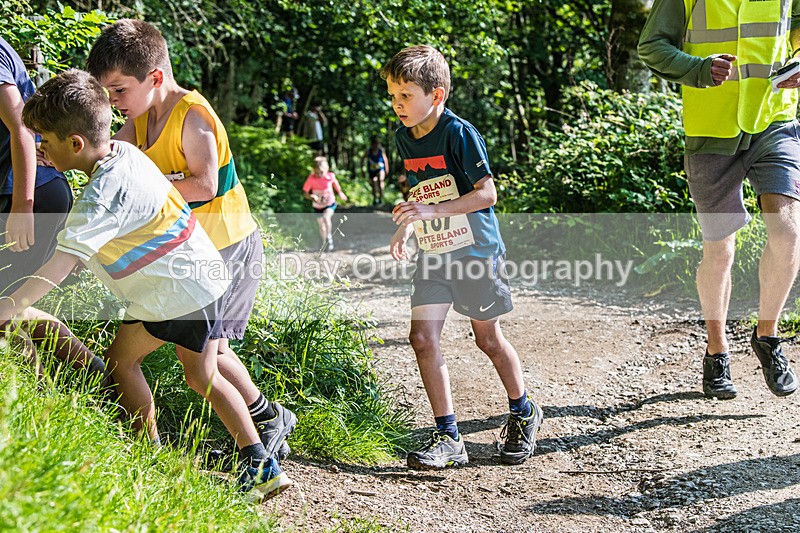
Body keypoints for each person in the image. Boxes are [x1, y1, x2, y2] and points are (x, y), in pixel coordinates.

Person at [4, 69, 290, 498]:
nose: (40, 150)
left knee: (135, 366)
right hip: (199, 278)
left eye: (45, 141)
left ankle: (153, 457)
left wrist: (10, 306)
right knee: (200, 373)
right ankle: (257, 462)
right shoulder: (126, 153)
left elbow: (61, 264)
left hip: (173, 293)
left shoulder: (100, 197)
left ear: (76, 144)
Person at [85, 19, 297, 461]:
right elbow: (107, 157)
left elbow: (203, 184)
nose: (114, 102)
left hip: (229, 246)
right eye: (108, 95)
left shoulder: (193, 115)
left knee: (201, 359)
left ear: (156, 77)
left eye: (119, 91)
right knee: (207, 356)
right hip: (194, 249)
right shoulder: (140, 116)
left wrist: (143, 190)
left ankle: (257, 441)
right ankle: (265, 421)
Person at [380, 45, 543, 469]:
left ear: (436, 95)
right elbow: (423, 191)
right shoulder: (403, 136)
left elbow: (487, 193)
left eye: (405, 95)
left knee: (487, 338)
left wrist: (431, 212)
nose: (397, 105)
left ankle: (524, 412)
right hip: (434, 252)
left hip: (475, 251)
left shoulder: (459, 133)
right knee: (422, 338)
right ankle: (448, 437)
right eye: (393, 96)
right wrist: (408, 224)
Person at [639, 0, 799, 399]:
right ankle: (717, 350)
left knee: (788, 230)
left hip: (775, 121)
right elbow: (653, 45)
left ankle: (767, 336)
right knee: (720, 251)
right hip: (711, 131)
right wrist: (696, 68)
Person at [0, 36, 105, 380]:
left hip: (32, 198)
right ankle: (95, 373)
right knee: (11, 303)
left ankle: (41, 400)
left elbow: (21, 128)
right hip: (17, 196)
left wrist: (22, 206)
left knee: (8, 306)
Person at [302, 155, 347, 252]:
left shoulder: (330, 176)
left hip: (329, 203)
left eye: (321, 172)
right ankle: (324, 243)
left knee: (326, 218)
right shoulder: (311, 179)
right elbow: (305, 193)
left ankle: (329, 237)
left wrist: (340, 193)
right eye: (317, 172)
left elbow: (336, 184)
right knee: (321, 226)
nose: (319, 174)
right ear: (314, 170)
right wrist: (311, 197)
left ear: (327, 169)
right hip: (317, 206)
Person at [361, 136, 389, 206]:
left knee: (380, 180)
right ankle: (375, 199)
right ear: (372, 144)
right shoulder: (368, 151)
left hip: (380, 168)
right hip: (372, 170)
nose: (376, 145)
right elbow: (362, 160)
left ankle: (380, 199)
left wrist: (386, 169)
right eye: (374, 144)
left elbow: (385, 160)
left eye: (377, 144)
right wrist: (362, 171)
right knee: (373, 182)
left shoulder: (381, 150)